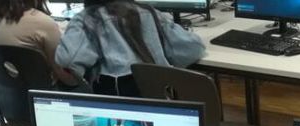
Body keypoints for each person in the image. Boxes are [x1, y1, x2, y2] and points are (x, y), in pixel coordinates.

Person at [56, 0, 205, 96]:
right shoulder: (149, 12)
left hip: (115, 108)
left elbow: (67, 61)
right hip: (159, 102)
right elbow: (193, 48)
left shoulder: (86, 19)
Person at [0, 0, 78, 86]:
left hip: (12, 88)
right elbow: (60, 69)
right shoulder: (44, 22)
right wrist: (77, 83)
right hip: (45, 88)